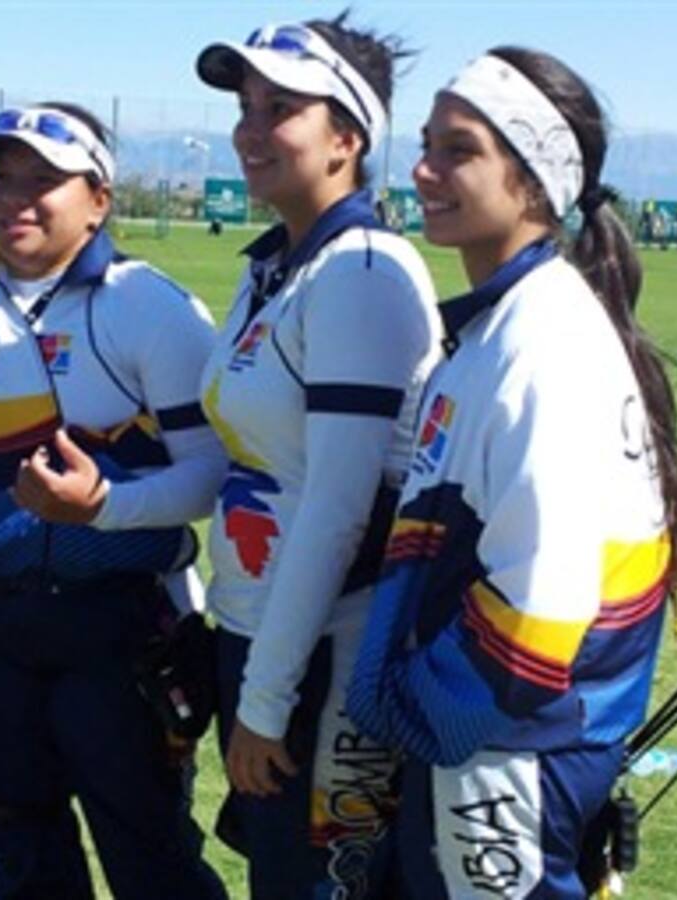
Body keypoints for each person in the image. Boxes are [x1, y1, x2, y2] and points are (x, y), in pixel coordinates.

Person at [347, 48, 677, 898]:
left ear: (533, 179)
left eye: (459, 149)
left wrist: (426, 707)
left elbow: (543, 603)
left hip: (508, 749)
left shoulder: (540, 343)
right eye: (428, 143)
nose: (422, 168)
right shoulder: (505, 326)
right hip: (504, 743)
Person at [0, 102, 227, 900]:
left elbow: (212, 478)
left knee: (151, 857)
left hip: (121, 631)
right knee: (21, 856)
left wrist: (103, 506)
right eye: (2, 178)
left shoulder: (153, 306)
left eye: (45, 181)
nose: (15, 199)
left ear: (99, 199)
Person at [194, 13, 443, 898]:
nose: (251, 128)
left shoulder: (360, 272)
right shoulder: (277, 266)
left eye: (281, 107)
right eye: (246, 105)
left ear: (347, 136)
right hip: (262, 636)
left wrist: (265, 703)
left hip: (324, 659)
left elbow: (339, 509)